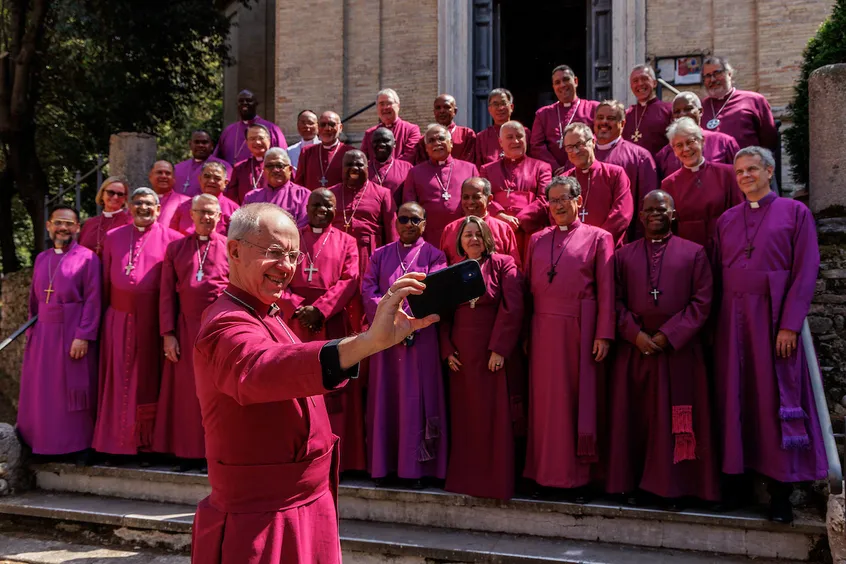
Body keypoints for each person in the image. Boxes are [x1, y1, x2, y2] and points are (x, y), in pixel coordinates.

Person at [190, 203, 439, 563]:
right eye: (275, 253)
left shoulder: (265, 312)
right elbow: (259, 369)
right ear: (234, 250)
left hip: (304, 502)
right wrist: (368, 343)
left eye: (293, 255)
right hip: (263, 517)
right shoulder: (225, 322)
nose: (287, 267)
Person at [713, 146, 827, 523]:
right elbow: (715, 275)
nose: (744, 176)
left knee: (772, 399)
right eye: (739, 171)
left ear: (769, 170)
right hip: (733, 320)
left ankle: (781, 494)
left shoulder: (796, 213)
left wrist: (790, 325)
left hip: (774, 319)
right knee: (736, 399)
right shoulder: (726, 219)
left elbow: (805, 270)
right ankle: (737, 486)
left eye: (751, 169)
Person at [606, 190, 720, 508]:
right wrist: (635, 334)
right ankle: (636, 484)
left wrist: (669, 334)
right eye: (648, 210)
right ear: (640, 217)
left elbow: (703, 300)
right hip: (636, 352)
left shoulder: (695, 253)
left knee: (677, 421)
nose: (654, 213)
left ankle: (676, 487)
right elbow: (613, 300)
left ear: (673, 214)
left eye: (661, 208)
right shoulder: (623, 255)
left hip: (678, 353)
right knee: (637, 419)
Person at [523, 176, 614, 502]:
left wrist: (604, 333)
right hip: (543, 331)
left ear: (578, 201)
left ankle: (577, 480)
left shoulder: (600, 238)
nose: (559, 205)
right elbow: (527, 292)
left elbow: (607, 290)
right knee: (546, 407)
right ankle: (544, 475)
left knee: (576, 404)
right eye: (554, 200)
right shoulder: (536, 239)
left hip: (580, 331)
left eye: (565, 199)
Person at [277, 189, 365, 473]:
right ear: (307, 206)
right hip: (295, 325)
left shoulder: (346, 241)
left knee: (334, 388)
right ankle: (296, 454)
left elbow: (350, 279)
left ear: (335, 209)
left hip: (331, 323)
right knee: (295, 385)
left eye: (328, 205)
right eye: (317, 204)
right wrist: (298, 307)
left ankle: (341, 460)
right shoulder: (291, 238)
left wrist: (321, 310)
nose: (322, 210)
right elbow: (278, 274)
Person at [362, 202, 448, 488]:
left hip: (419, 338)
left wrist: (408, 320)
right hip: (385, 339)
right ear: (395, 222)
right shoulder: (380, 255)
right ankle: (384, 467)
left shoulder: (435, 256)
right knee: (386, 399)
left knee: (416, 401)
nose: (409, 224)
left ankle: (416, 470)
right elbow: (368, 290)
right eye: (403, 219)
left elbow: (434, 290)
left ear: (424, 223)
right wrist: (393, 319)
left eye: (415, 219)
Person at [93, 188, 182, 459]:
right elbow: (105, 282)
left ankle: (147, 445)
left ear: (158, 208)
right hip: (118, 319)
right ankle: (113, 443)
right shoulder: (112, 237)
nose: (143, 208)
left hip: (153, 323)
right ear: (130, 208)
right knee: (116, 381)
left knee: (148, 382)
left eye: (149, 204)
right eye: (138, 203)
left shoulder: (173, 240)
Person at [440, 216, 524, 499]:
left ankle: (495, 483)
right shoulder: (453, 270)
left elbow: (513, 308)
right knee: (466, 418)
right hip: (462, 357)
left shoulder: (504, 263)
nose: (473, 239)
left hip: (492, 353)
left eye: (478, 234)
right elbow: (443, 314)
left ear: (488, 237)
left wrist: (499, 348)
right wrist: (447, 350)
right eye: (467, 235)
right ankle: (466, 482)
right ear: (460, 241)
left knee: (494, 418)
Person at [18, 206, 101, 463]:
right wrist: (32, 334)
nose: (63, 228)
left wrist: (83, 335)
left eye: (69, 224)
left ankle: (77, 446)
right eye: (58, 223)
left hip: (71, 331)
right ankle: (42, 445)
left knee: (72, 392)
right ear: (49, 226)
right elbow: (34, 300)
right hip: (43, 335)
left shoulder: (88, 258)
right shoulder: (42, 258)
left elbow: (93, 299)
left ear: (77, 227)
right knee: (43, 391)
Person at [153, 194, 229, 472]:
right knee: (188, 394)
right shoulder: (176, 248)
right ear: (192, 215)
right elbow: (165, 295)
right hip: (185, 329)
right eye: (201, 212)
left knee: (218, 393)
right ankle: (188, 454)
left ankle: (217, 453)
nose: (206, 218)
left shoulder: (231, 248)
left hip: (219, 329)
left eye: (212, 213)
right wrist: (168, 333)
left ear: (220, 217)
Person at [660, 117, 742, 255]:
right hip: (688, 253)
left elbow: (740, 214)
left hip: (725, 249)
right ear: (674, 150)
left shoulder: (727, 174)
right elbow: (670, 227)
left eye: (690, 142)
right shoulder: (669, 184)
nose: (686, 149)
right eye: (679, 145)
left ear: (702, 141)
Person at [480, 120, 552, 255]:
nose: (516, 141)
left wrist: (519, 220)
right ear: (501, 142)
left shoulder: (542, 167)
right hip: (497, 231)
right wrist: (500, 216)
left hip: (529, 231)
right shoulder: (487, 170)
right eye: (510, 137)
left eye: (519, 136)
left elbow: (545, 198)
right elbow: (483, 197)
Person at [403, 124, 479, 246]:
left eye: (441, 139)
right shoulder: (415, 173)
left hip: (463, 235)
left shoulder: (470, 169)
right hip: (429, 238)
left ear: (451, 143)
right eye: (431, 141)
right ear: (426, 148)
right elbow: (410, 208)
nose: (437, 143)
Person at [592, 100, 658, 240]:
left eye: (610, 118)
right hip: (585, 239)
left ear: (622, 124)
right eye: (600, 117)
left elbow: (646, 202)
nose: (604, 122)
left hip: (625, 239)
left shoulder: (640, 156)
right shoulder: (581, 154)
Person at [655, 92, 741, 179]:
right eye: (677, 112)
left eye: (688, 109)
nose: (682, 114)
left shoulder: (724, 142)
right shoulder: (663, 155)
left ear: (700, 111)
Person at [700, 56, 778, 151]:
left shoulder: (754, 100)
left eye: (717, 73)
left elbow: (769, 140)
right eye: (707, 76)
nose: (712, 79)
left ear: (729, 74)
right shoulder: (700, 106)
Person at [530, 65, 599, 172]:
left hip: (585, 169)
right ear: (553, 87)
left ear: (575, 81)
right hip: (554, 175)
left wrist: (570, 167)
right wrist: (554, 167)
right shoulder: (543, 114)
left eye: (566, 79)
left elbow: (598, 139)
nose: (562, 85)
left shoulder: (593, 109)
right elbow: (536, 146)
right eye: (557, 82)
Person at [439, 177, 521, 267]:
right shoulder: (450, 229)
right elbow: (443, 267)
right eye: (466, 197)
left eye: (476, 197)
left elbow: (514, 268)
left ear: (489, 199)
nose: (470, 202)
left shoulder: (503, 229)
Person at [214, 89, 287, 165]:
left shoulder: (272, 129)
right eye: (241, 101)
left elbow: (283, 157)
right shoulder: (228, 131)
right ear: (237, 104)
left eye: (249, 100)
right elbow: (217, 161)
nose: (244, 103)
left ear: (256, 104)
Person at [243, 147, 310, 228]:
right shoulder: (251, 197)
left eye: (280, 165)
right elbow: (244, 227)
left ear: (290, 169)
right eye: (270, 166)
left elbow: (303, 227)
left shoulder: (303, 195)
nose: (275, 170)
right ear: (264, 171)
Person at [170, 161, 239, 236]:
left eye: (217, 178)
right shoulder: (184, 207)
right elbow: (173, 236)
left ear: (225, 183)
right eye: (207, 176)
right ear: (200, 179)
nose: (211, 181)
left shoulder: (234, 210)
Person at [295, 111, 355, 190]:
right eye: (323, 125)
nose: (327, 128)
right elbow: (299, 184)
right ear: (318, 128)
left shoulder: (350, 153)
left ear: (340, 128)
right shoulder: (307, 152)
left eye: (332, 124)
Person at [621, 65, 673, 155]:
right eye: (635, 81)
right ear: (631, 86)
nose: (640, 84)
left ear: (654, 83)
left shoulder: (668, 110)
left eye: (644, 79)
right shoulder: (626, 115)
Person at [360, 88, 422, 162]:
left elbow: (409, 156)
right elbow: (363, 160)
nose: (385, 107)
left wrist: (389, 169)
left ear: (398, 106)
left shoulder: (411, 130)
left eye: (389, 103)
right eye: (382, 104)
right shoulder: (370, 133)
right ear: (377, 108)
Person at [411, 94, 476, 164]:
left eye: (446, 107)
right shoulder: (425, 140)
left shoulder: (467, 135)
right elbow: (421, 166)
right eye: (438, 108)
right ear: (434, 112)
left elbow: (469, 164)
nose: (442, 111)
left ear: (455, 111)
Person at [78, 176, 131, 257]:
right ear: (102, 194)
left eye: (120, 194)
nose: (115, 197)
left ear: (125, 198)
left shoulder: (129, 223)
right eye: (111, 192)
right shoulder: (89, 224)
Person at [173, 130, 232, 197]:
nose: (200, 145)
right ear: (190, 144)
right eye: (197, 142)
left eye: (204, 142)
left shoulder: (224, 167)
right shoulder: (177, 168)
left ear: (211, 145)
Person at [227, 124, 273, 205]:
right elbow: (232, 198)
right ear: (247, 143)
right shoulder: (239, 168)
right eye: (252, 139)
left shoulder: (280, 166)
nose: (257, 142)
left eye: (261, 138)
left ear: (269, 140)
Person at [368, 127, 413, 205]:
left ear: (394, 143)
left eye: (386, 140)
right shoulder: (364, 168)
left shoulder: (407, 168)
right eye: (376, 141)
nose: (381, 144)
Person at [149, 160, 190, 228]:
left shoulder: (186, 202)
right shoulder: (140, 201)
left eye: (168, 173)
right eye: (159, 172)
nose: (164, 176)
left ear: (174, 178)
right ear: (150, 176)